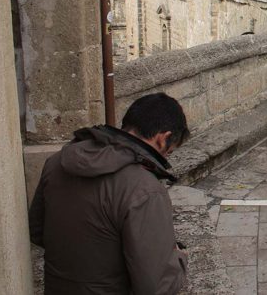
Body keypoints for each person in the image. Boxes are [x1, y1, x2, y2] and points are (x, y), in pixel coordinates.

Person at [29, 93, 190, 294]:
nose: (166, 156)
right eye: (170, 151)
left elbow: (37, 231)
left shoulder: (56, 162)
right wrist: (179, 258)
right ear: (163, 138)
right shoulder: (145, 189)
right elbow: (156, 286)